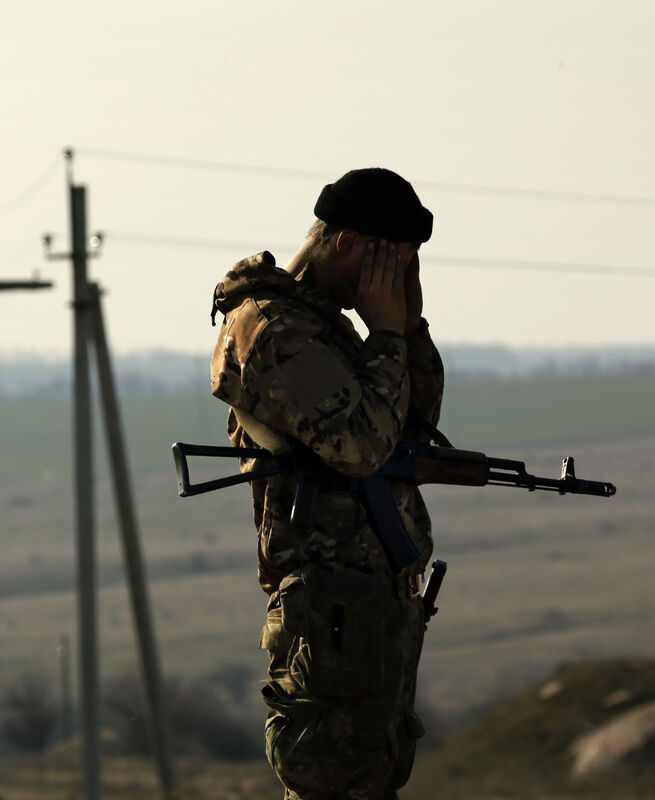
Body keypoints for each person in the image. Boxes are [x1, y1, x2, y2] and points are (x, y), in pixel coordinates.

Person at [209, 168, 443, 800]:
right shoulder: (269, 328)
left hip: (369, 607)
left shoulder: (330, 328)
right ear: (346, 245)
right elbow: (363, 446)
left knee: (374, 775)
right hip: (327, 614)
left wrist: (409, 327)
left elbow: (413, 426)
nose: (396, 279)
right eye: (392, 263)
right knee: (332, 782)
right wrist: (387, 334)